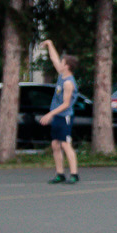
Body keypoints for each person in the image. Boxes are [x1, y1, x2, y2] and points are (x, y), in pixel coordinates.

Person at [38, 41, 80, 185]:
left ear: (67, 66)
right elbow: (54, 58)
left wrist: (50, 114)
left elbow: (66, 104)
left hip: (64, 116)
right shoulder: (62, 75)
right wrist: (50, 44)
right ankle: (60, 173)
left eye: (62, 62)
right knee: (55, 145)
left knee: (66, 145)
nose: (60, 63)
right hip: (57, 116)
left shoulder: (68, 83)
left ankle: (74, 174)